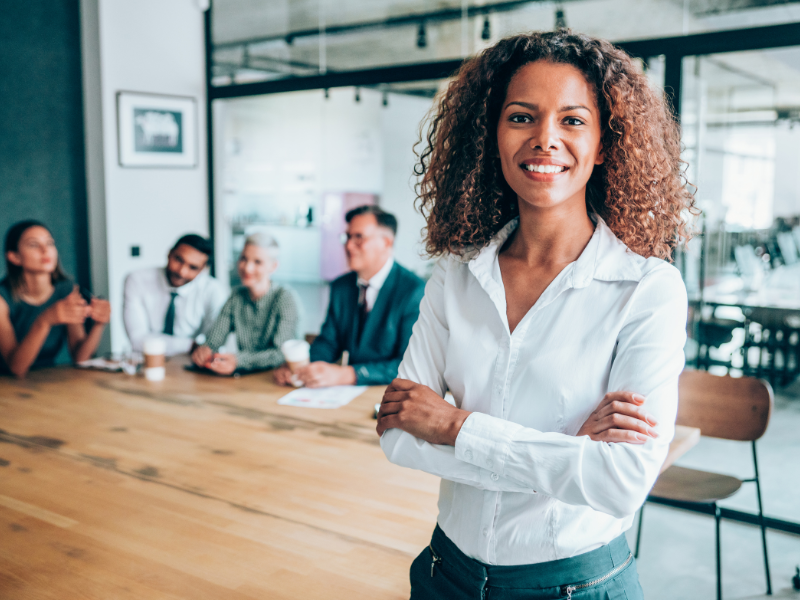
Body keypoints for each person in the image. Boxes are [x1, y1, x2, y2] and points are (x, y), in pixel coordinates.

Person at [376, 31, 695, 599]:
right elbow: (399, 436)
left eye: (572, 120)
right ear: (492, 136)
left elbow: (620, 483)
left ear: (604, 144)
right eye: (521, 117)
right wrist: (568, 451)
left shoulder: (648, 290)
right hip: (443, 575)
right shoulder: (455, 275)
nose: (545, 139)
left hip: (574, 585)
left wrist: (454, 427)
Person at [274, 205, 426, 388]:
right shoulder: (341, 286)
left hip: (390, 394)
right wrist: (300, 369)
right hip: (346, 396)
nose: (348, 245)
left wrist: (347, 374)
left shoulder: (414, 291)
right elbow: (329, 342)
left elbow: (408, 365)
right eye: (347, 237)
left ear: (386, 242)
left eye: (359, 238)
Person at [0, 220, 111, 377]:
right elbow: (16, 369)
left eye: (50, 243)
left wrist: (99, 325)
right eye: (33, 245)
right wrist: (45, 320)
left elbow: (80, 359)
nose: (45, 250)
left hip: (48, 379)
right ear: (14, 257)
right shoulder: (2, 299)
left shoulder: (67, 290)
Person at [191, 232, 300, 375]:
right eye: (243, 259)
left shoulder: (285, 298)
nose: (247, 268)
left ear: (273, 266)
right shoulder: (236, 297)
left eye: (257, 262)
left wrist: (238, 361)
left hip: (278, 378)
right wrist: (205, 350)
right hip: (244, 380)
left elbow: (281, 354)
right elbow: (214, 339)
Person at [123, 234, 227, 356]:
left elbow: (214, 342)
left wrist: (202, 348)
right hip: (147, 360)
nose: (182, 272)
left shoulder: (213, 290)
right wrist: (191, 345)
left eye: (193, 267)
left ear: (203, 269)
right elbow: (137, 340)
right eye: (179, 260)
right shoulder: (137, 279)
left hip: (192, 364)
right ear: (169, 253)